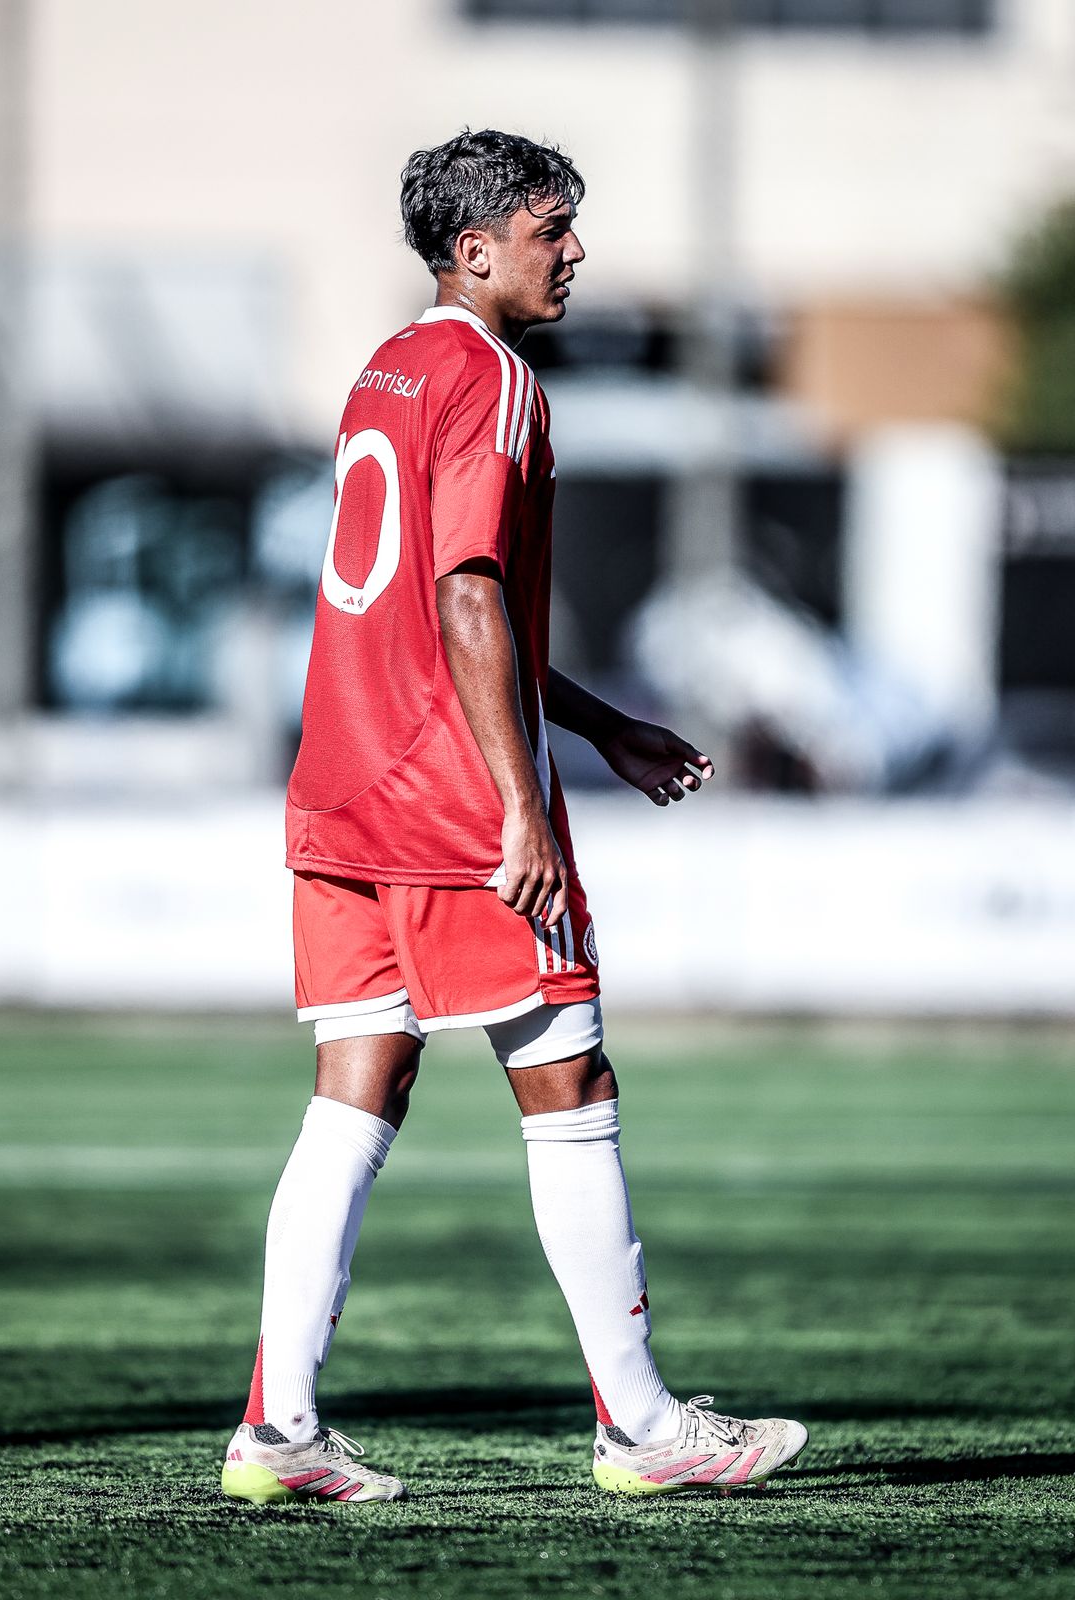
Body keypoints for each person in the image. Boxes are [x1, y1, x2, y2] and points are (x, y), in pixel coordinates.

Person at [220, 128, 807, 1506]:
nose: (577, 252)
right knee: (571, 1089)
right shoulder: (494, 381)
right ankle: (645, 1429)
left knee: (355, 1094)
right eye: (553, 229)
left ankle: (278, 1431)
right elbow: (467, 591)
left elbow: (433, 610)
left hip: (344, 787)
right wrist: (519, 806)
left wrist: (597, 725)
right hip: (449, 805)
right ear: (475, 250)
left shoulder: (389, 370)